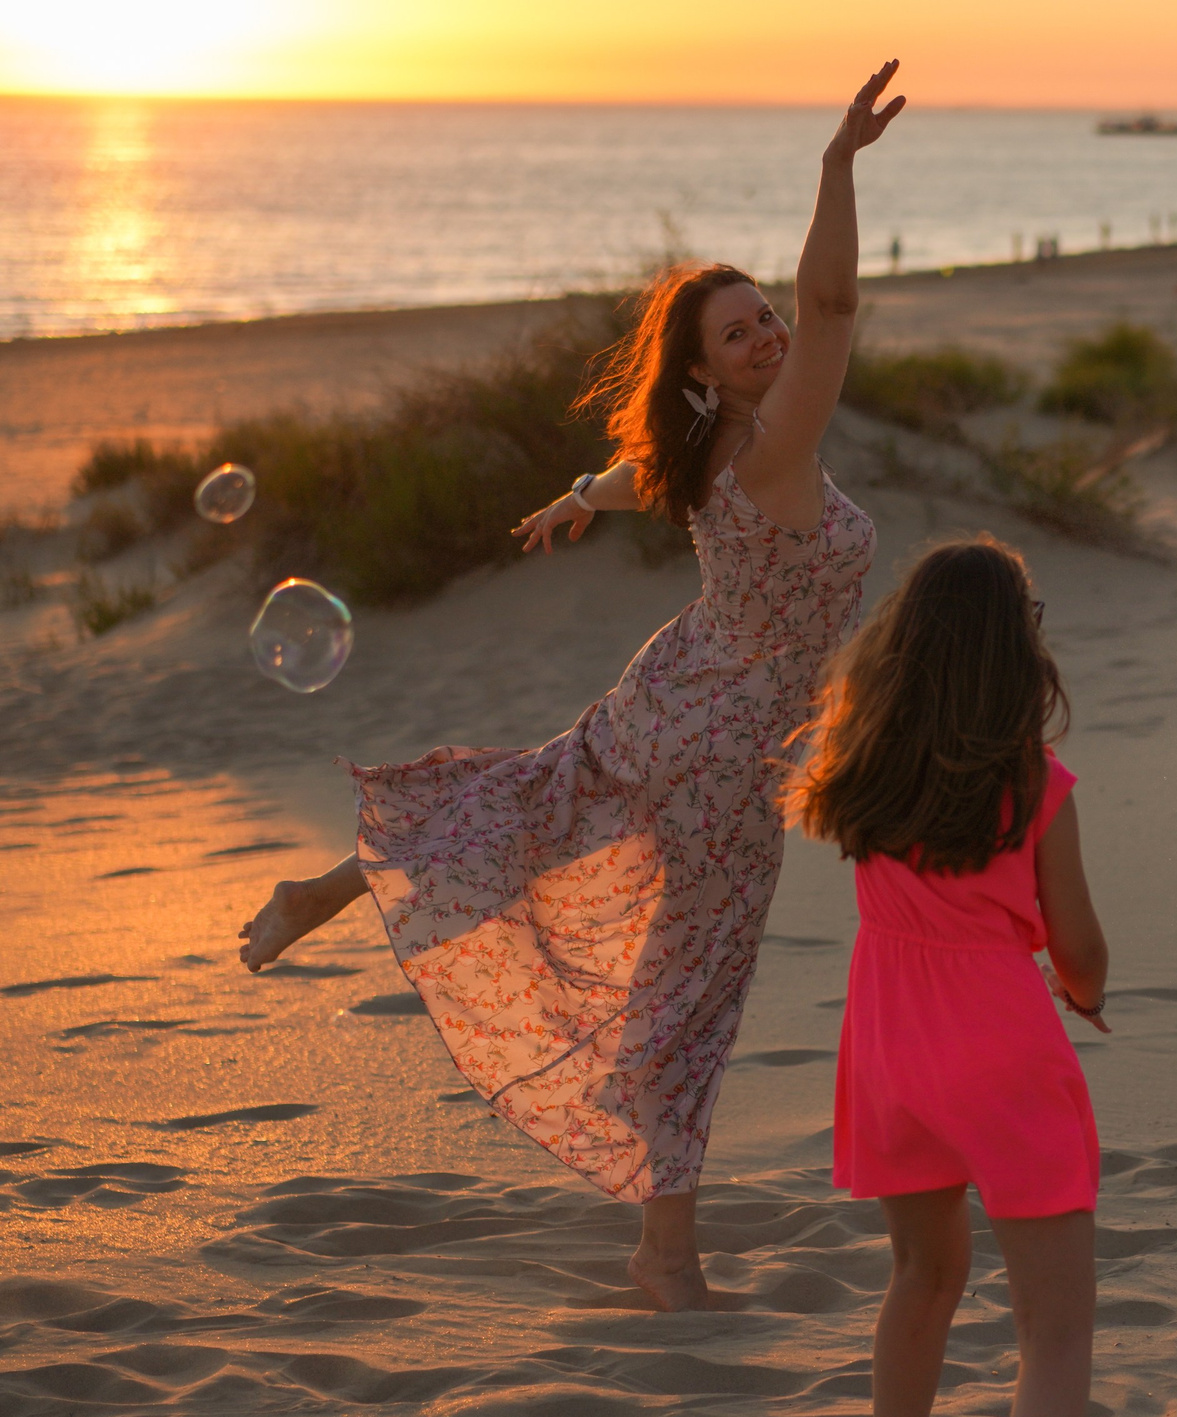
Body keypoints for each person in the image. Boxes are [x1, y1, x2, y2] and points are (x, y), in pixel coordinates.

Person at [233, 61, 908, 1308]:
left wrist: (574, 497)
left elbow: (628, 467)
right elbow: (837, 304)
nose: (769, 334)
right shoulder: (775, 444)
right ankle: (665, 1260)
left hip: (676, 694)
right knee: (687, 990)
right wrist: (834, 169)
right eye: (741, 330)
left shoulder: (702, 441)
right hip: (724, 750)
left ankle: (333, 879)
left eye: (763, 319)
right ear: (709, 368)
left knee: (537, 813)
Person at [786, 536, 1110, 1417]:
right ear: (1014, 650)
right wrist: (1084, 989)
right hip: (1000, 1045)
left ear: (906, 646)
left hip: (888, 1041)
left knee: (923, 1270)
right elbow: (1079, 944)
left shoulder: (863, 764)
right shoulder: (1033, 781)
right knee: (1054, 1326)